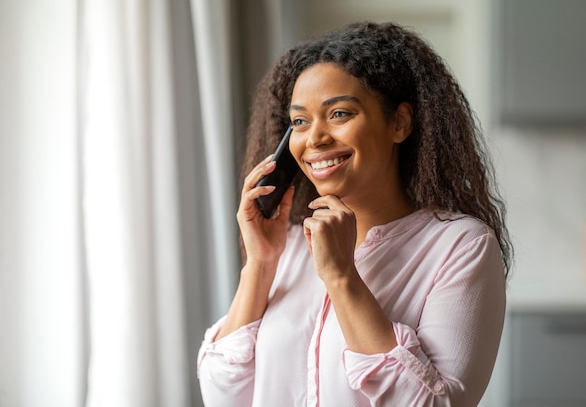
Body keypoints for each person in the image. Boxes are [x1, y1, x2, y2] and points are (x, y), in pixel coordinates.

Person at [197, 21, 512, 407]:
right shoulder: (290, 245)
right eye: (299, 121)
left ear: (399, 122)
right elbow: (222, 397)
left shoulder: (461, 247)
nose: (314, 139)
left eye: (340, 114)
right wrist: (260, 265)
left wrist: (342, 276)